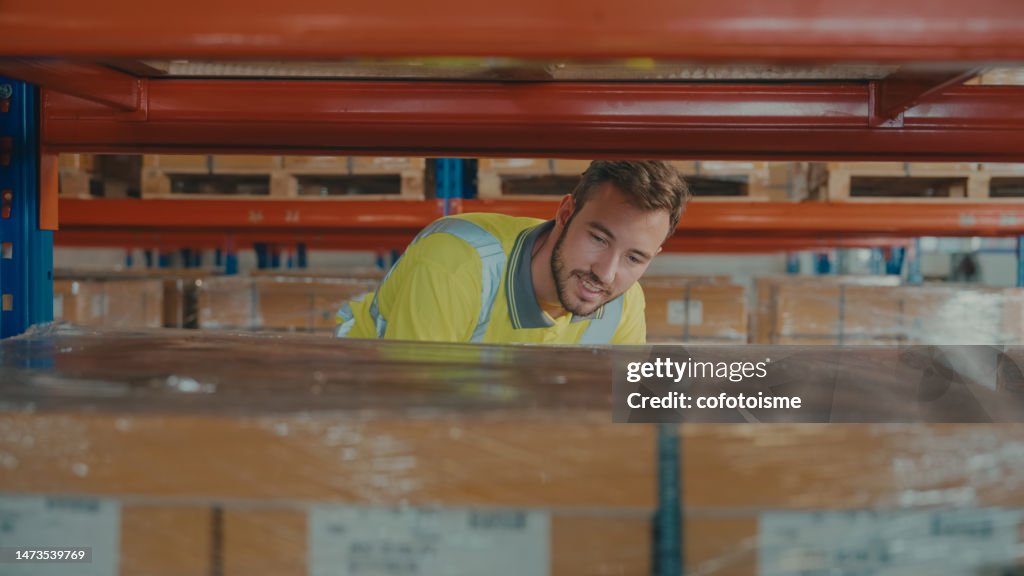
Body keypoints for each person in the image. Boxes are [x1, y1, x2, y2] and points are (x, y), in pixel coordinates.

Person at [335, 160, 690, 344]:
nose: (606, 273)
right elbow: (410, 412)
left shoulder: (623, 303)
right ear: (566, 213)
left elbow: (626, 424)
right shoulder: (457, 263)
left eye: (634, 258)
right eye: (598, 239)